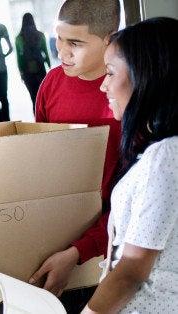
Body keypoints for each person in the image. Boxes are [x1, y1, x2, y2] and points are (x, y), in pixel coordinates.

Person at [29, 0, 122, 312]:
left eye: (75, 42)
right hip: (52, 246)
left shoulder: (125, 95)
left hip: (108, 252)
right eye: (58, 38)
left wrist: (79, 251)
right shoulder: (51, 84)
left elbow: (135, 196)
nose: (61, 51)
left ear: (109, 39)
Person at [82, 17, 178, 314]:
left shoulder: (166, 156)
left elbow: (132, 270)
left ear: (145, 76)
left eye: (110, 73)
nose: (104, 86)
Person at [15, 13, 51, 113]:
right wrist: (49, 65)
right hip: (40, 70)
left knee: (34, 98)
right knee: (43, 98)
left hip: (27, 72)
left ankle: (37, 120)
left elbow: (19, 59)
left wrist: (21, 72)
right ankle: (47, 119)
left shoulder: (19, 38)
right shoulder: (40, 35)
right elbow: (45, 52)